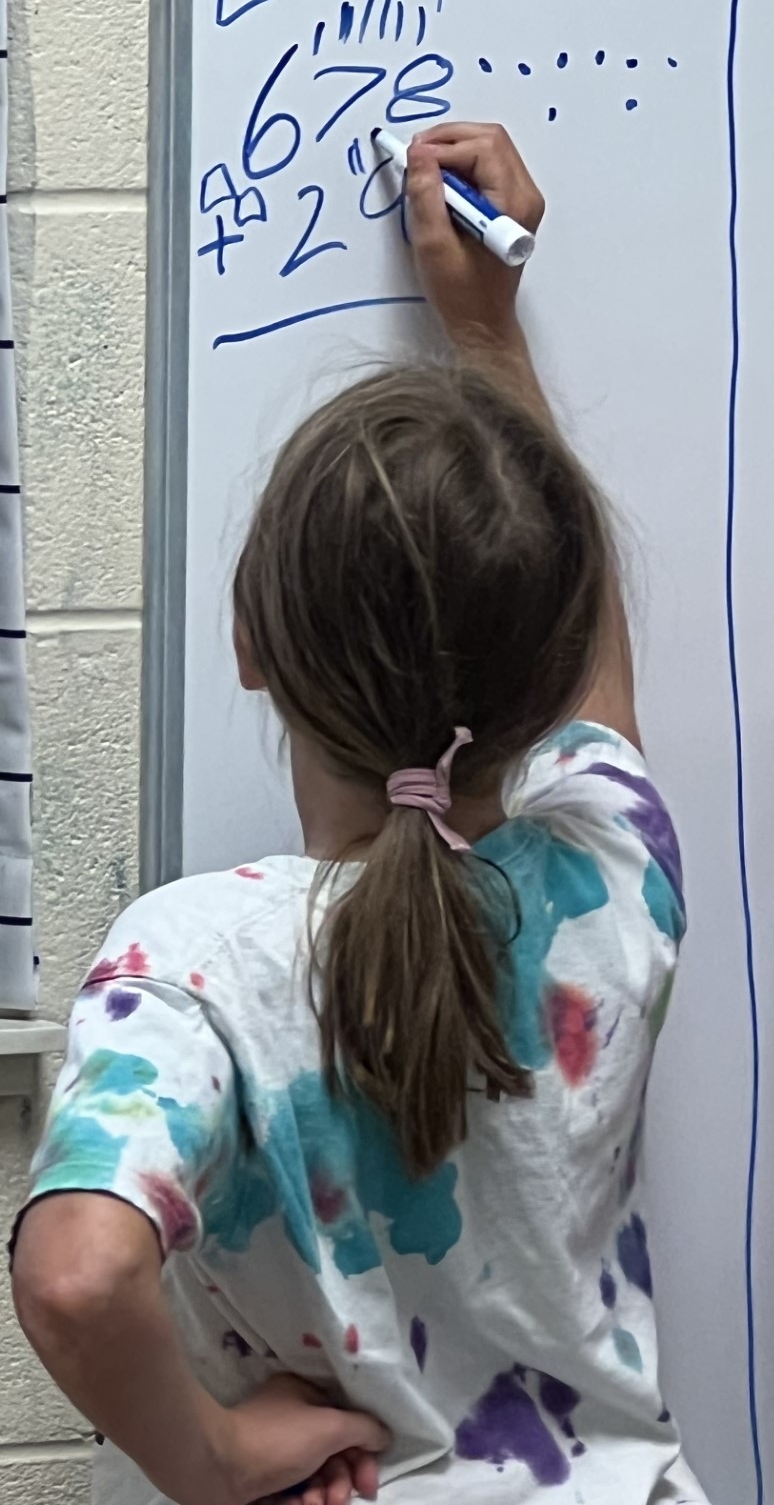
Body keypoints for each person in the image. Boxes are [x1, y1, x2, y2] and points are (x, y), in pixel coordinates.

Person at [11, 126, 703, 1505]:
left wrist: (207, 1460)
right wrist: (488, 333)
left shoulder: (196, 958)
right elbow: (598, 684)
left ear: (250, 639)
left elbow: (80, 1278)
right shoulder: (612, 875)